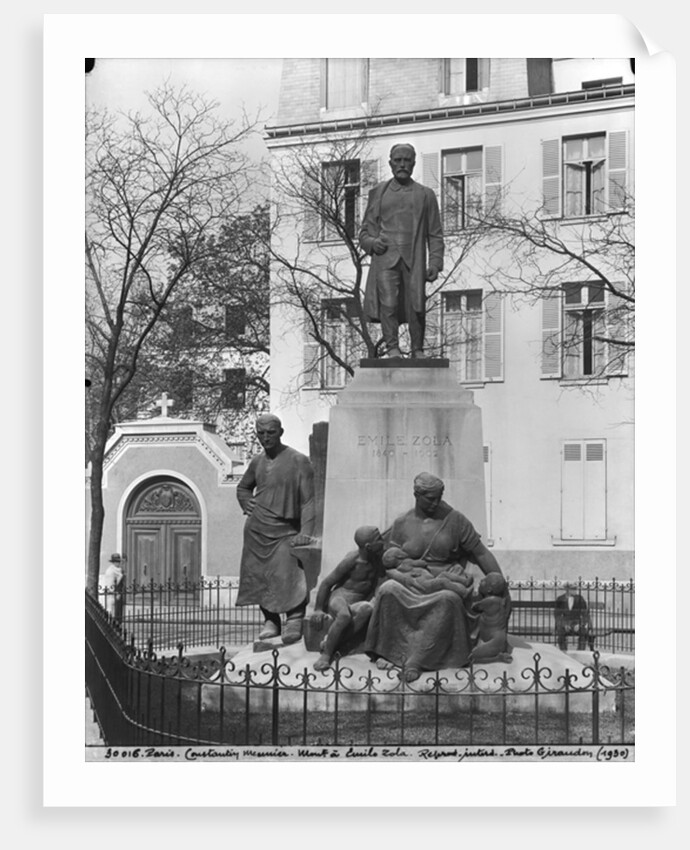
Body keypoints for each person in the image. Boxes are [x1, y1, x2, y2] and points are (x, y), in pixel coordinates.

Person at [364, 472, 503, 681]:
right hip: (411, 581)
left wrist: (499, 582)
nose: (436, 502)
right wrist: (407, 578)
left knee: (449, 600)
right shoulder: (402, 523)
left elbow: (481, 552)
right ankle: (390, 653)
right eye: (430, 498)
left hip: (443, 584)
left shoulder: (455, 520)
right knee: (387, 590)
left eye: (439, 497)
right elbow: (389, 562)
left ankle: (416, 661)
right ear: (417, 495)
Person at [235, 414, 316, 645]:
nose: (265, 437)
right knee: (260, 575)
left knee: (287, 573)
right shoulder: (257, 462)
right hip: (256, 529)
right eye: (261, 433)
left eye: (270, 432)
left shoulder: (298, 460)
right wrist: (245, 501)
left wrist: (306, 532)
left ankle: (294, 619)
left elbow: (309, 501)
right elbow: (243, 488)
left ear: (280, 432)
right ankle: (270, 620)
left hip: (286, 529)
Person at [359, 143, 444, 359]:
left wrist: (435, 263)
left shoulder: (426, 195)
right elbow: (364, 234)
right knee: (389, 303)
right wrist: (372, 243)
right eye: (398, 160)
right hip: (386, 259)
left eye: (407, 160)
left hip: (413, 258)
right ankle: (392, 348)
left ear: (414, 163)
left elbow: (435, 233)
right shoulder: (378, 193)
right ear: (390, 163)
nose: (402, 164)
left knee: (417, 306)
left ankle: (417, 350)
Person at [309, 526, 384, 672]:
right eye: (379, 539)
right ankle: (326, 655)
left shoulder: (377, 560)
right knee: (344, 616)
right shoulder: (352, 560)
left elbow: (378, 584)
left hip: (358, 601)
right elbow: (327, 583)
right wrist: (318, 609)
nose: (382, 541)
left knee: (368, 609)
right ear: (368, 546)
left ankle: (332, 643)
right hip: (340, 597)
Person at [469, 572, 513, 664]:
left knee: (473, 656)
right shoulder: (500, 601)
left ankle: (497, 658)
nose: (481, 581)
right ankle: (499, 655)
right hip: (498, 637)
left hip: (495, 640)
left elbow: (474, 607)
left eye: (484, 581)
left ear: (489, 590)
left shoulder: (489, 601)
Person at [555, 583, 594, 651]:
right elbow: (557, 615)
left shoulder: (580, 598)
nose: (575, 591)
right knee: (560, 633)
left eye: (575, 589)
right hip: (565, 622)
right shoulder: (560, 599)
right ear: (567, 590)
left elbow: (585, 614)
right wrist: (564, 625)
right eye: (573, 589)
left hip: (577, 622)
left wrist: (580, 624)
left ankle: (580, 652)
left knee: (583, 633)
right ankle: (563, 652)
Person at [103, 552, 125, 626]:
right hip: (112, 593)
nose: (118, 563)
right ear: (113, 562)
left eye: (119, 561)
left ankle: (115, 624)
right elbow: (112, 584)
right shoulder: (112, 571)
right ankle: (111, 625)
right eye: (117, 561)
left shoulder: (116, 570)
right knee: (111, 609)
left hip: (115, 592)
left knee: (116, 610)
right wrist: (116, 592)